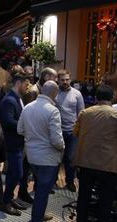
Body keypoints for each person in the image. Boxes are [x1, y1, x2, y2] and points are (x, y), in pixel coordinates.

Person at [18, 81, 65, 222]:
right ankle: (36, 218)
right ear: (55, 93)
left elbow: (20, 129)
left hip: (32, 157)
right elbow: (57, 140)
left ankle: (39, 215)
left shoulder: (27, 107)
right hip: (48, 159)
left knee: (40, 190)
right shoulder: (52, 110)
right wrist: (63, 147)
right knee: (42, 193)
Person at [73, 84, 117, 222]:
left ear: (96, 97)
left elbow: (76, 132)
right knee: (106, 200)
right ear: (113, 97)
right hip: (108, 165)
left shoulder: (85, 113)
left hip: (86, 162)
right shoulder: (115, 115)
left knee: (83, 197)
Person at [0, 74, 31, 216]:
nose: (28, 87)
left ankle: (9, 198)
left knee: (14, 172)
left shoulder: (17, 97)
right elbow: (7, 121)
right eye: (26, 84)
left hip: (17, 142)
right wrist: (25, 126)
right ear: (19, 83)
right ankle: (5, 202)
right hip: (12, 143)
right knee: (17, 173)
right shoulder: (10, 100)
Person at [56, 69, 84, 192]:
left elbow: (81, 113)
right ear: (58, 80)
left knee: (70, 158)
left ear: (70, 79)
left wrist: (79, 130)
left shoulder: (77, 94)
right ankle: (53, 181)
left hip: (72, 131)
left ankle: (70, 181)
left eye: (67, 79)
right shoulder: (54, 93)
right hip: (58, 130)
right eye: (62, 80)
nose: (65, 82)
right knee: (56, 157)